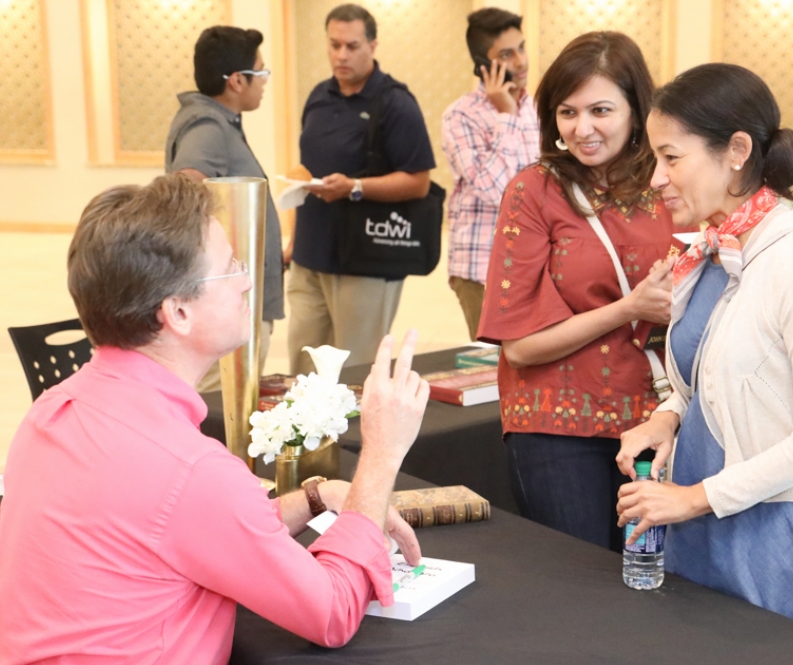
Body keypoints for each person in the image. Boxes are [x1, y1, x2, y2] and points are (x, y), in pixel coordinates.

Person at [0, 175, 453, 665]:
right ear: (177, 311)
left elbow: (180, 531)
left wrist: (320, 497)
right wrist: (379, 461)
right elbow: (328, 613)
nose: (248, 281)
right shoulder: (186, 464)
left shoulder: (58, 410)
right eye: (230, 268)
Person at [615, 64, 793, 635]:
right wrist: (666, 417)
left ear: (736, 150)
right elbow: (708, 375)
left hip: (778, 532)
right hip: (704, 517)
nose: (655, 178)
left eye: (671, 157)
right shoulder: (713, 250)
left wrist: (693, 499)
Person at [476, 31, 675, 551]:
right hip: (555, 427)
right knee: (579, 585)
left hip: (661, 420)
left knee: (660, 586)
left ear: (638, 108)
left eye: (601, 110)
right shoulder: (535, 190)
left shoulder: (669, 184)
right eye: (567, 112)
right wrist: (628, 308)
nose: (582, 129)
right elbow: (519, 346)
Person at [289, 4, 435, 372]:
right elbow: (307, 165)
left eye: (352, 46)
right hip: (309, 254)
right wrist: (292, 239)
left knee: (352, 374)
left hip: (366, 259)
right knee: (301, 370)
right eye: (334, 44)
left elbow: (418, 183)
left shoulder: (396, 103)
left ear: (372, 45)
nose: (341, 55)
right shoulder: (318, 96)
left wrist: (355, 187)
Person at [165, 25, 284, 390]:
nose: (264, 81)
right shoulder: (208, 126)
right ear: (236, 81)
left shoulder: (218, 121)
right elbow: (184, 189)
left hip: (229, 298)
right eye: (260, 73)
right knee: (223, 404)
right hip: (222, 304)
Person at [442, 7, 540, 340]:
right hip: (480, 268)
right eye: (507, 54)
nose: (521, 61)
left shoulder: (541, 109)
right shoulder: (460, 116)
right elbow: (494, 188)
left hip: (535, 264)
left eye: (522, 48)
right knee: (491, 376)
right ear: (483, 65)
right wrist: (506, 116)